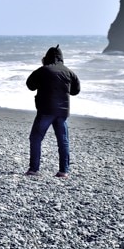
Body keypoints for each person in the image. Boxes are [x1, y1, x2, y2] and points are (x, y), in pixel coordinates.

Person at [25, 45, 80, 178]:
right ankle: (63, 171)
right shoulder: (69, 72)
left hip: (45, 110)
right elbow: (75, 91)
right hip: (62, 112)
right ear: (61, 58)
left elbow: (30, 85)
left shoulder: (42, 70)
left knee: (36, 138)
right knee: (63, 141)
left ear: (46, 57)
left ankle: (34, 169)